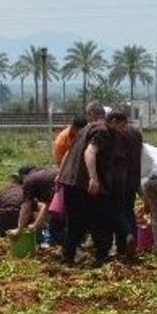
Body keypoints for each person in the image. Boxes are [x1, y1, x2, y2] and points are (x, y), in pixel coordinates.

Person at [57, 110, 120, 266]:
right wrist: (93, 178)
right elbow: (90, 152)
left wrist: (60, 174)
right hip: (85, 184)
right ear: (113, 121)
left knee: (75, 222)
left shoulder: (88, 127)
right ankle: (101, 257)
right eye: (122, 125)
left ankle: (68, 256)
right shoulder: (103, 131)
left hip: (70, 181)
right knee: (102, 220)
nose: (122, 130)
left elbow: (69, 152)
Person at [112, 118, 144, 257]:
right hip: (133, 178)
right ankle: (132, 241)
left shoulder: (118, 134)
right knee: (129, 210)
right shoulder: (136, 134)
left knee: (117, 211)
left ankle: (122, 244)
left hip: (119, 179)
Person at [8, 166, 60, 244]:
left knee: (56, 225)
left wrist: (19, 230)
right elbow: (47, 205)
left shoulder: (28, 180)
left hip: (66, 193)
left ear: (23, 176)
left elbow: (26, 208)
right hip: (72, 186)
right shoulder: (45, 175)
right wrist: (35, 225)